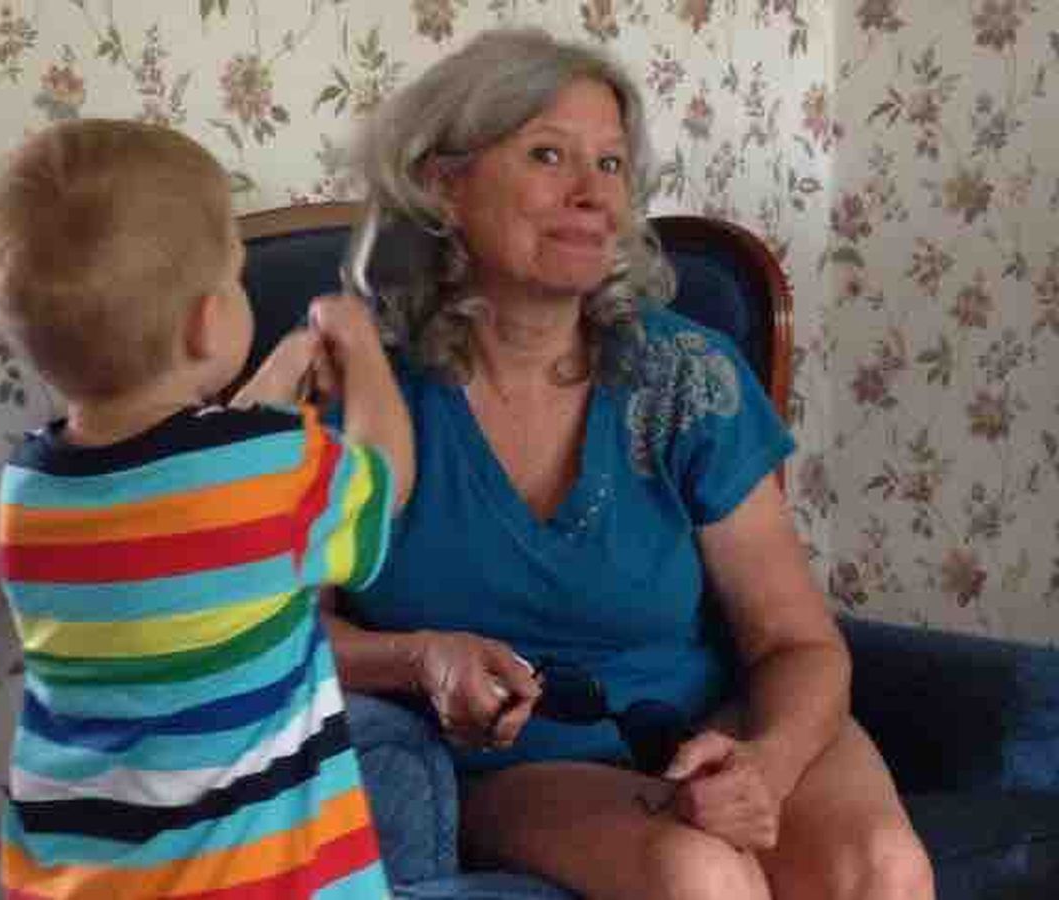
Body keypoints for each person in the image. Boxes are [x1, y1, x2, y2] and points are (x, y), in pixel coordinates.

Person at [323, 27, 935, 900]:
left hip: (722, 725)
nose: (590, 193)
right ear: (443, 183)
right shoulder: (359, 385)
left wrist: (766, 764)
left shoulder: (687, 378)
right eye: (548, 155)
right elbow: (268, 633)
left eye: (610, 164)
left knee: (882, 869)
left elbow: (796, 641)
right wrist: (417, 658)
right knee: (701, 876)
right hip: (521, 771)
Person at [0, 118, 413, 899]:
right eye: (237, 275)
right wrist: (362, 349)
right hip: (263, 882)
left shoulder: (31, 492)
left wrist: (284, 370)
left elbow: (192, 481)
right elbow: (383, 484)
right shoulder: (268, 468)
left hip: (92, 878)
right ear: (207, 321)